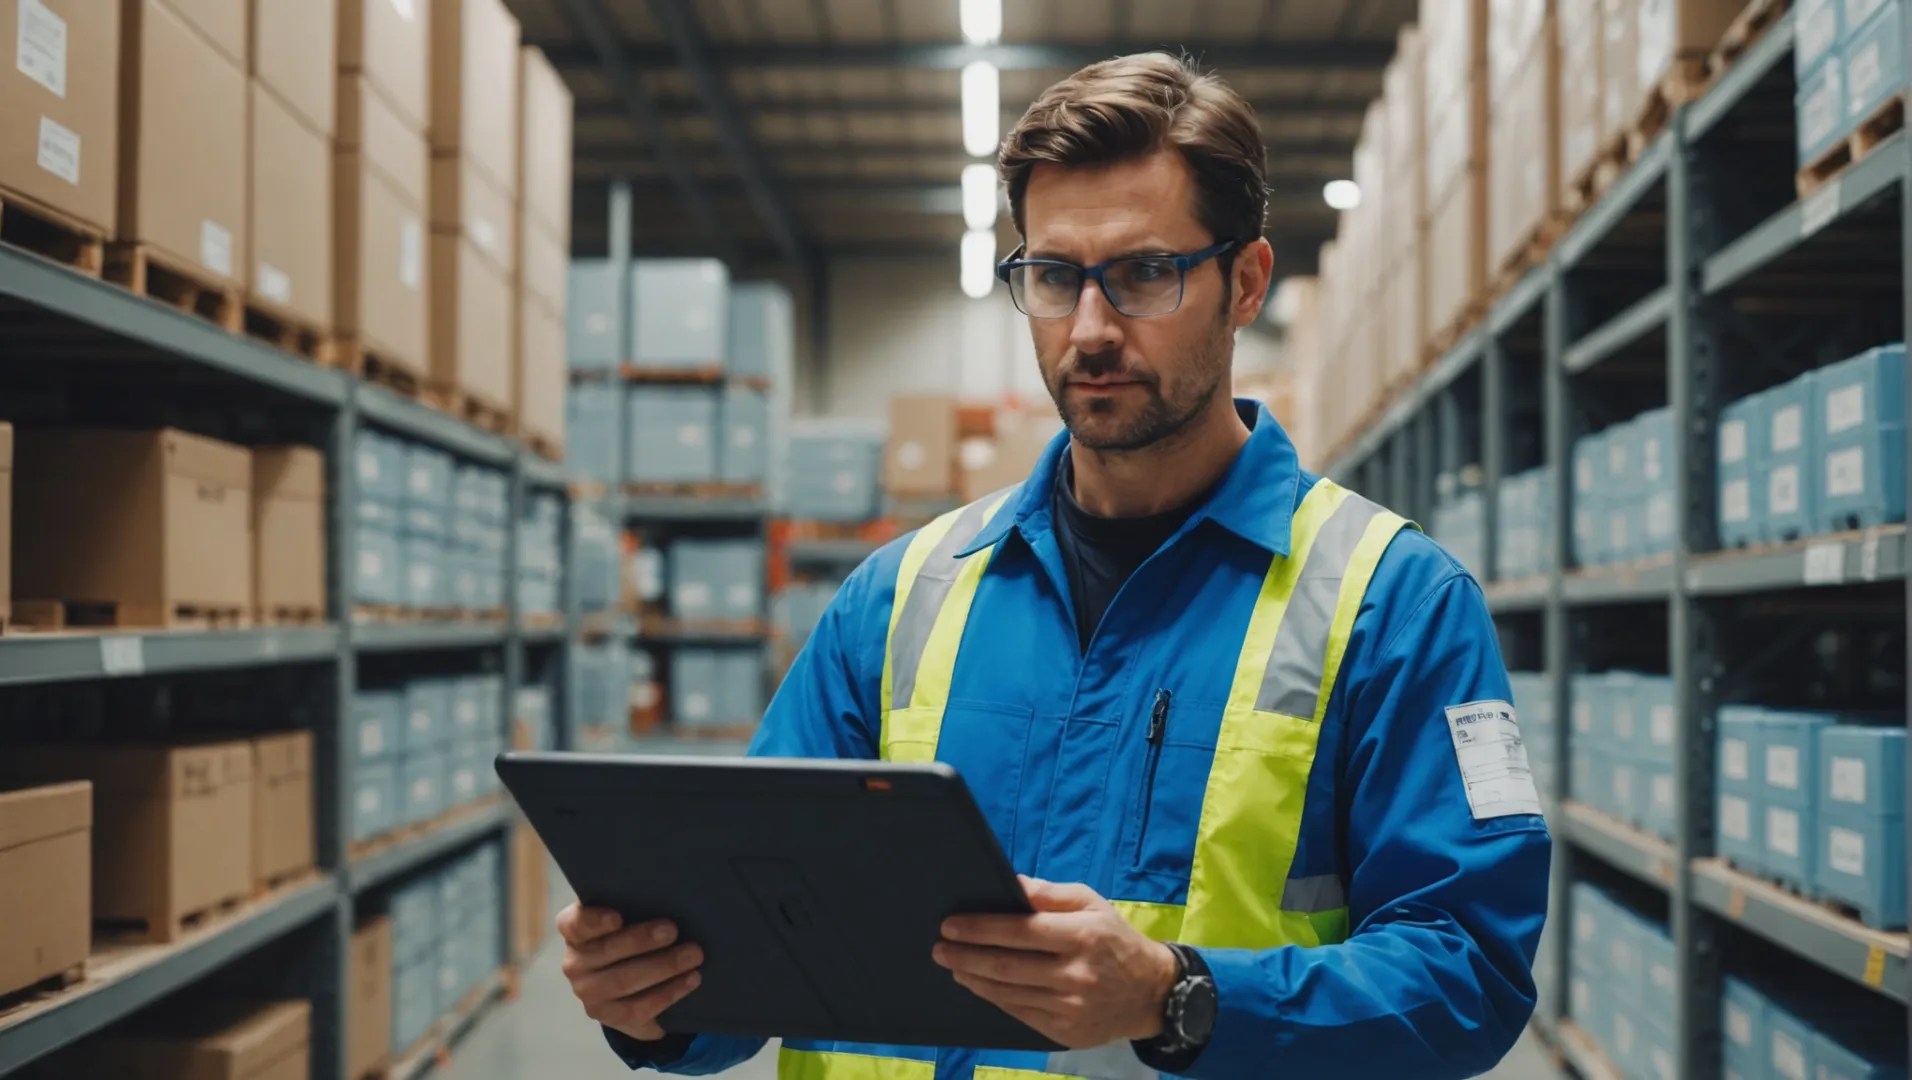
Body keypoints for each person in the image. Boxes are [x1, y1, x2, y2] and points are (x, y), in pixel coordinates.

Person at [558, 51, 1551, 1080]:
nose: (1088, 328)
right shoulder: (899, 599)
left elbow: (1468, 973)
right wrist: (653, 999)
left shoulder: (1392, 602)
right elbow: (754, 945)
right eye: (1051, 276)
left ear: (1244, 282)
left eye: (1142, 274)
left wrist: (1178, 996)